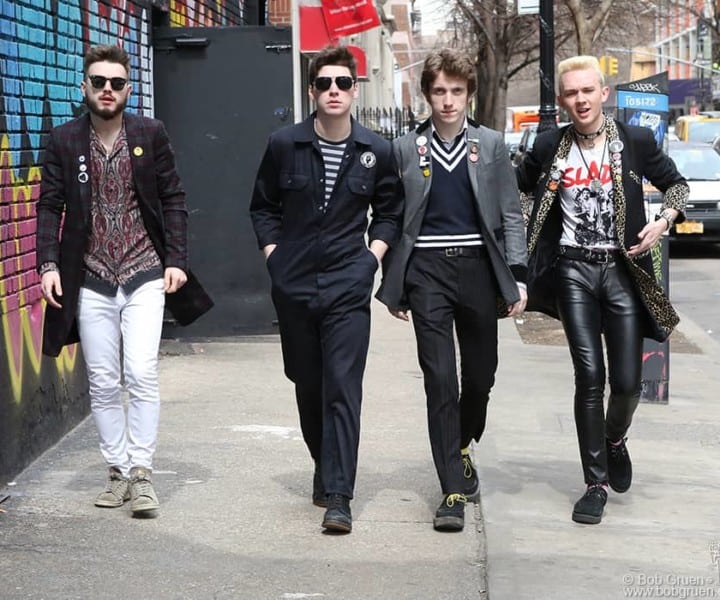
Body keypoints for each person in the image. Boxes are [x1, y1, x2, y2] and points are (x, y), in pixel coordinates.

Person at [36, 44, 212, 516]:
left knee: (141, 371)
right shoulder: (65, 140)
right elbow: (49, 204)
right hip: (89, 277)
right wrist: (47, 265)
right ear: (85, 87)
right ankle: (116, 472)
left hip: (143, 273)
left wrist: (176, 258)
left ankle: (142, 473)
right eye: (99, 82)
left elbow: (174, 197)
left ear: (128, 89)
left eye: (116, 83)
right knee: (103, 378)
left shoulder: (149, 134)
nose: (107, 90)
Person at [516, 55, 688, 525]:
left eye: (587, 91)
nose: (580, 100)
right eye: (571, 93)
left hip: (621, 269)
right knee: (589, 377)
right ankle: (594, 483)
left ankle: (615, 439)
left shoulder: (634, 141)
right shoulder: (550, 145)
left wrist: (662, 222)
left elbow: (677, 186)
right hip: (572, 270)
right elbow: (514, 187)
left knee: (628, 382)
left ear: (603, 93)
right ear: (562, 100)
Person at [249, 45, 403, 534]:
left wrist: (370, 259)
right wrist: (274, 257)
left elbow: (391, 213)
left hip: (347, 285)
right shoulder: (283, 145)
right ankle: (324, 465)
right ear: (312, 91)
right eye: (324, 84)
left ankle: (340, 495)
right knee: (307, 382)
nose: (333, 91)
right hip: (293, 285)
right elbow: (262, 207)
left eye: (342, 83)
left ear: (354, 91)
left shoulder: (375, 150)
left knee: (342, 386)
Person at [376, 48, 528, 532]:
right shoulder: (405, 148)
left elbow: (509, 212)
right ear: (426, 94)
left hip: (479, 270)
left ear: (468, 94)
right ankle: (451, 492)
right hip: (426, 274)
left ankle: (462, 443)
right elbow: (395, 219)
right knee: (440, 379)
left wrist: (518, 274)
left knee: (480, 376)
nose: (447, 101)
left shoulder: (491, 144)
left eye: (456, 91)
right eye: (439, 91)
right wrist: (395, 282)